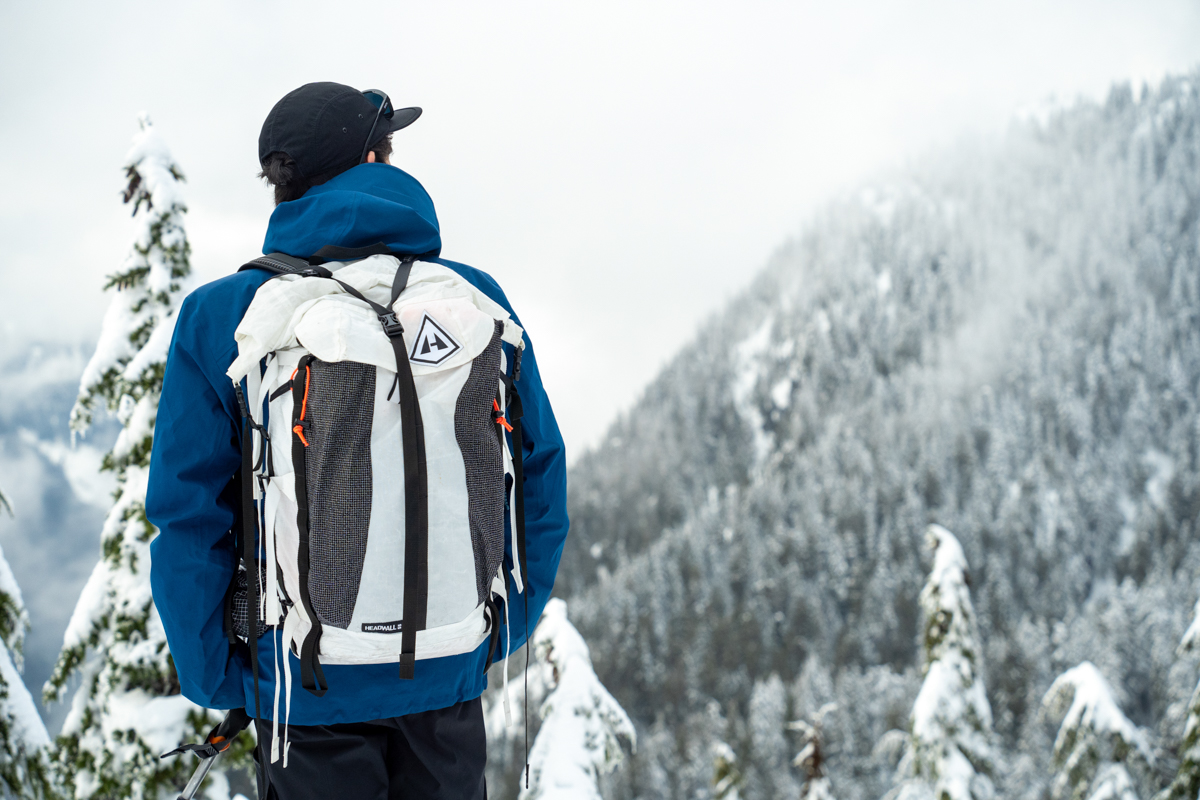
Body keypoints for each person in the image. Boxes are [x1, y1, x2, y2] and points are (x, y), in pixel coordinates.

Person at [145, 82, 569, 800]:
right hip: (449, 667)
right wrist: (492, 633)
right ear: (372, 158)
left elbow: (189, 516)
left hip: (303, 685)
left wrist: (224, 675)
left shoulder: (224, 315)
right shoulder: (474, 296)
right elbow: (538, 479)